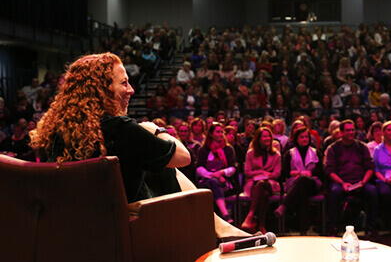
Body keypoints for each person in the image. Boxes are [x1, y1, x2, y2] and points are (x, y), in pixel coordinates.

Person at [30, 53, 248, 239]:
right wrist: (154, 129)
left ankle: (221, 227)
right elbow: (184, 157)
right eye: (124, 83)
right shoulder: (120, 128)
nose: (132, 90)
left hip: (79, 231)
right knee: (167, 165)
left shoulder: (57, 133)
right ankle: (222, 228)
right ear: (102, 90)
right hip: (134, 228)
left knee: (157, 165)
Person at [324, 120, 380, 238]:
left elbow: (370, 167)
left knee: (373, 191)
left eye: (352, 130)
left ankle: (372, 227)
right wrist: (342, 183)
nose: (351, 132)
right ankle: (333, 227)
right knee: (334, 192)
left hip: (360, 182)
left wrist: (364, 181)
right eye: (348, 130)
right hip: (340, 183)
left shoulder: (362, 147)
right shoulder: (333, 148)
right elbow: (330, 171)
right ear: (342, 132)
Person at [274, 127, 323, 235]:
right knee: (302, 191)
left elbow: (320, 171)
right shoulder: (289, 153)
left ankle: (284, 206)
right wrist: (299, 173)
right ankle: (303, 230)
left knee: (303, 181)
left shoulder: (316, 152)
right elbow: (285, 173)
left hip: (313, 183)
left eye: (306, 137)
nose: (304, 139)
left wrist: (309, 174)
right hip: (294, 183)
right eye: (302, 137)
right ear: (296, 139)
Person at [241, 126, 281, 234]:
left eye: (269, 136)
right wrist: (261, 173)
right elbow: (247, 172)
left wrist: (265, 176)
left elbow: (277, 174)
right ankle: (262, 226)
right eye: (264, 136)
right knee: (263, 193)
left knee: (262, 184)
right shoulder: (250, 153)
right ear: (258, 139)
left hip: (271, 184)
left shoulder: (276, 154)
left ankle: (250, 215)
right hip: (253, 184)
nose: (267, 138)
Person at [196, 122, 237, 223]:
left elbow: (233, 167)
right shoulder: (203, 150)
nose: (220, 134)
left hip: (224, 182)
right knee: (212, 182)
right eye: (217, 132)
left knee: (214, 185)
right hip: (207, 181)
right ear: (210, 134)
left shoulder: (228, 149)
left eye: (221, 132)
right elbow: (198, 167)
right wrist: (212, 175)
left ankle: (218, 219)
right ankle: (225, 214)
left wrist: (222, 172)